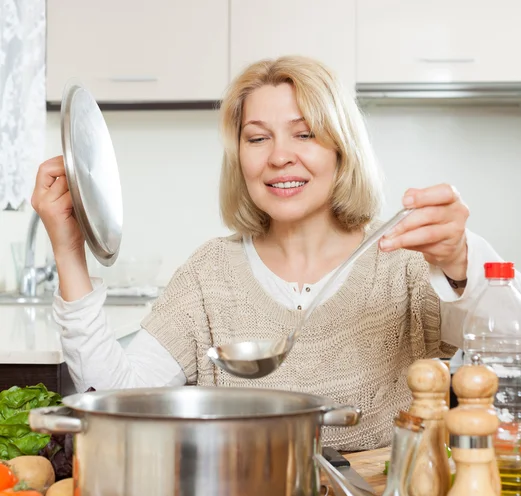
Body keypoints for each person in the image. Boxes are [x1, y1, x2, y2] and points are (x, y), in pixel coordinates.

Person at [31, 55, 516, 451]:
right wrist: (70, 251)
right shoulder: (209, 274)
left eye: (304, 134)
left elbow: (507, 342)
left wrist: (458, 259)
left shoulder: (408, 263)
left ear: (341, 150)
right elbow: (117, 399)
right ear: (239, 157)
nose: (279, 155)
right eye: (257, 138)